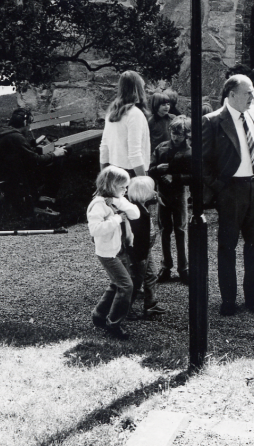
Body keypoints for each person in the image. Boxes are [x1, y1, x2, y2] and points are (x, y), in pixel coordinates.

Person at [202, 74, 254, 316]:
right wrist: (220, 187)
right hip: (231, 191)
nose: (253, 97)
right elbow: (202, 162)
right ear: (231, 95)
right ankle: (229, 300)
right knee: (228, 246)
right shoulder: (212, 121)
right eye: (248, 93)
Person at [87, 166, 139, 339]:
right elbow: (95, 229)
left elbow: (135, 213)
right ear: (111, 185)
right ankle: (113, 324)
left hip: (119, 249)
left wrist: (119, 203)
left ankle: (99, 315)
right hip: (108, 252)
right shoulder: (98, 205)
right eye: (122, 187)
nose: (125, 190)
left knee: (116, 284)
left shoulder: (117, 199)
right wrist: (117, 218)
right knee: (126, 285)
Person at [0, 107, 65, 218]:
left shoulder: (3, 132)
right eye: (29, 124)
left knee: (37, 163)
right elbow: (36, 160)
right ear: (25, 123)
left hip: (2, 178)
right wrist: (56, 153)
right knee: (56, 161)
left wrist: (33, 143)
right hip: (11, 182)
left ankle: (37, 197)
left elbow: (18, 152)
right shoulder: (16, 137)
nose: (29, 128)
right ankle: (42, 203)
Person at [149, 115, 191, 284]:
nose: (175, 137)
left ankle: (184, 269)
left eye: (179, 134)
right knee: (165, 230)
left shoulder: (191, 152)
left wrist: (176, 177)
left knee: (181, 230)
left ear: (186, 134)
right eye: (173, 133)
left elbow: (195, 176)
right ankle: (166, 267)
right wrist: (158, 169)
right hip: (163, 194)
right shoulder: (161, 148)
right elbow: (150, 170)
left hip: (180, 194)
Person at [124, 175, 166, 319]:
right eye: (151, 190)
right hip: (140, 253)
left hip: (146, 250)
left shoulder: (141, 206)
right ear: (143, 193)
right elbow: (136, 238)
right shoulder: (136, 212)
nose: (155, 193)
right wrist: (138, 257)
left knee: (152, 275)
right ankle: (125, 308)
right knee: (136, 280)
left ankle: (151, 304)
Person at [99, 71, 151, 178]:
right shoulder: (135, 114)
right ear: (137, 89)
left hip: (114, 173)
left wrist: (103, 178)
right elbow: (135, 153)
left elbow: (104, 148)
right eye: (142, 87)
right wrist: (144, 182)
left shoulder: (112, 112)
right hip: (132, 174)